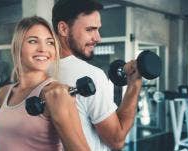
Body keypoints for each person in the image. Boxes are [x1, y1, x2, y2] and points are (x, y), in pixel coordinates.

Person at [52, 0, 142, 150]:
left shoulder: (38, 72)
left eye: (98, 29)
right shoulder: (91, 75)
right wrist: (135, 83)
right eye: (90, 30)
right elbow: (116, 139)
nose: (98, 38)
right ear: (63, 29)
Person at [0, 16, 90, 151]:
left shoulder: (56, 93)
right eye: (33, 41)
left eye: (50, 43)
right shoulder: (4, 92)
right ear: (17, 47)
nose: (43, 49)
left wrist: (60, 114)